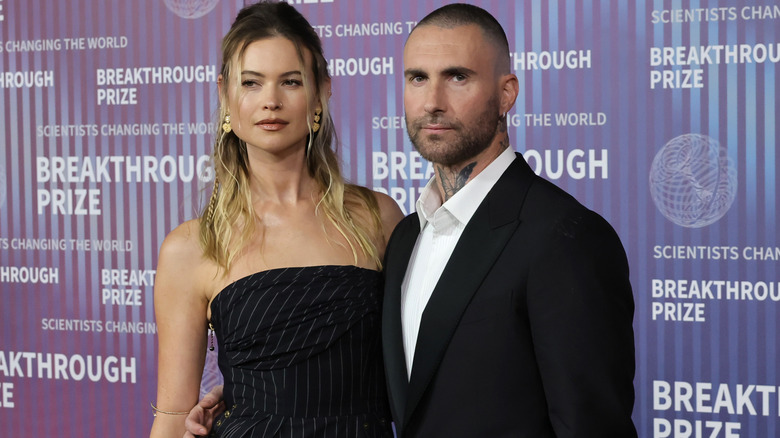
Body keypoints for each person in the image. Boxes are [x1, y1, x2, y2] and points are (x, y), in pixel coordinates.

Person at [187, 3, 637, 437]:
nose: (433, 102)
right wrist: (259, 393)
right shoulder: (405, 236)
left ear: (507, 93)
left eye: (458, 77)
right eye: (418, 78)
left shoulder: (565, 237)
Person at [149, 1, 403, 437]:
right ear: (226, 94)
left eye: (290, 81)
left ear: (321, 91)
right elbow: (173, 419)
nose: (270, 101)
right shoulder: (191, 248)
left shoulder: (377, 217)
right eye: (251, 83)